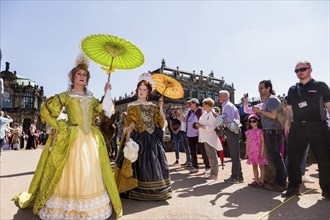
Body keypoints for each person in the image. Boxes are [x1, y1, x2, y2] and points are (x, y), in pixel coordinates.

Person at [14, 54, 122, 219]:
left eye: (84, 75)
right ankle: (67, 206)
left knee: (90, 170)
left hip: (91, 140)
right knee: (70, 170)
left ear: (87, 79)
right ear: (72, 77)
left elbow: (106, 111)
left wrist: (107, 93)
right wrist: (60, 126)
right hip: (72, 138)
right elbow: (46, 111)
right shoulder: (65, 96)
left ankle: (88, 207)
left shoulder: (92, 99)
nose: (82, 76)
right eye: (78, 74)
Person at [114, 72, 172, 200]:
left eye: (144, 89)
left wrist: (161, 107)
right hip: (139, 137)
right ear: (137, 90)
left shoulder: (153, 106)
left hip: (153, 139)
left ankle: (157, 191)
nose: (141, 91)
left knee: (155, 163)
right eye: (140, 89)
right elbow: (130, 124)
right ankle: (138, 190)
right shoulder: (132, 106)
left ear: (148, 92)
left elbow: (161, 123)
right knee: (139, 163)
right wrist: (128, 138)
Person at [282, 60, 330, 199]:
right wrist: (287, 124)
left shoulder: (321, 86)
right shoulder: (292, 89)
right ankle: (293, 187)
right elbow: (289, 109)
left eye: (302, 69)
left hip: (318, 127)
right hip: (298, 127)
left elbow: (328, 105)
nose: (299, 72)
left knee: (324, 160)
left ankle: (327, 190)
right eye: (296, 70)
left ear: (310, 69)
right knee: (294, 159)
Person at [252, 80, 287, 192]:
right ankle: (275, 181)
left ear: (268, 88)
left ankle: (281, 183)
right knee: (273, 158)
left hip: (273, 132)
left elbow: (273, 116)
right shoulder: (268, 100)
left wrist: (260, 111)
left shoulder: (272, 99)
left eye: (261, 88)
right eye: (259, 88)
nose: (259, 90)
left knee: (276, 158)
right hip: (270, 131)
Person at [218, 90, 244, 184]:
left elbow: (229, 119)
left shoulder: (227, 106)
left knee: (234, 154)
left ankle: (235, 176)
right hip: (233, 130)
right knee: (235, 154)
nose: (218, 97)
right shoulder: (227, 105)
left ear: (225, 96)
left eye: (219, 95)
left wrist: (220, 119)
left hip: (232, 130)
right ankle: (239, 176)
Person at [194, 98, 223, 180]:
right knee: (210, 155)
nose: (203, 106)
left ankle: (214, 174)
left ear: (207, 105)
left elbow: (211, 127)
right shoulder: (205, 114)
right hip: (205, 137)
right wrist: (198, 125)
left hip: (209, 137)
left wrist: (200, 126)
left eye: (204, 104)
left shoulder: (211, 114)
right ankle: (212, 172)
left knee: (212, 156)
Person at [186, 98, 210, 174]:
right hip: (190, 134)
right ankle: (195, 167)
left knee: (203, 151)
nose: (189, 104)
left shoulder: (201, 111)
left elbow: (205, 121)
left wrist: (199, 126)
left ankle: (207, 167)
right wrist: (179, 114)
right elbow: (184, 120)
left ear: (195, 104)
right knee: (193, 152)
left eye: (191, 103)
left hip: (199, 134)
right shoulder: (189, 112)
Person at [244, 114, 268, 187]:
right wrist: (246, 152)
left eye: (254, 121)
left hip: (259, 151)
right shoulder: (249, 132)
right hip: (252, 152)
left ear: (257, 122)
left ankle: (262, 180)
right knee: (254, 166)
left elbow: (263, 142)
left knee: (261, 166)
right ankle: (256, 180)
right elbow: (247, 143)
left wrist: (262, 152)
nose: (252, 123)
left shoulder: (261, 131)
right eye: (250, 121)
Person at [177, 98, 192, 167]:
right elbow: (181, 120)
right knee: (185, 147)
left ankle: (190, 161)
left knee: (188, 146)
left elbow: (184, 119)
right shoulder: (186, 110)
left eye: (186, 103)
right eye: (185, 103)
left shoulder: (190, 111)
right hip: (183, 129)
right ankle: (188, 160)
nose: (185, 104)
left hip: (186, 130)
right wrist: (178, 115)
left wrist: (180, 111)